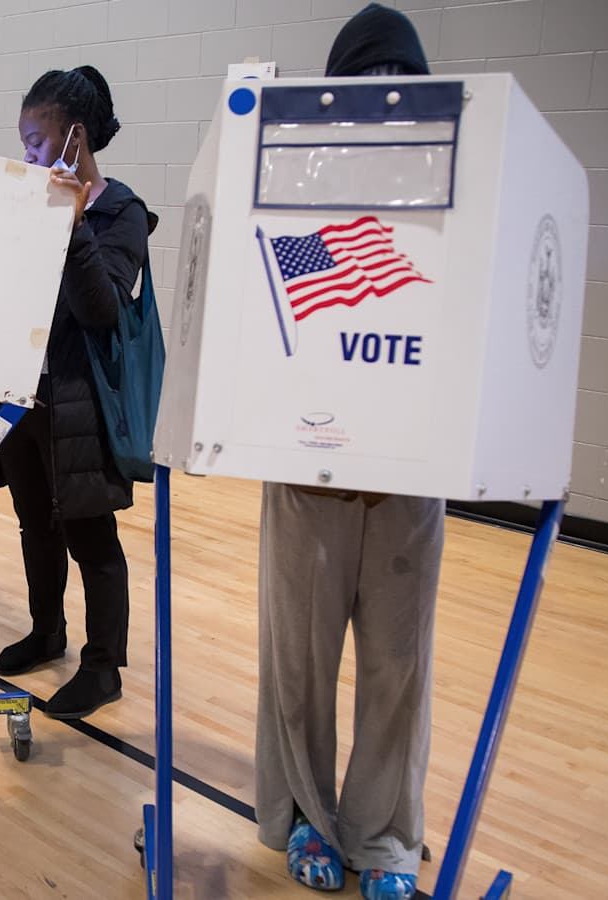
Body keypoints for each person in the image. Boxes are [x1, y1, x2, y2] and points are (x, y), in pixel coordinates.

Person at [253, 8, 440, 900]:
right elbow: (273, 326)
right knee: (299, 661)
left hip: (408, 474)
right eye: (365, 90)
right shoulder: (295, 198)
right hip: (308, 472)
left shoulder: (451, 206)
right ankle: (304, 818)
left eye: (397, 88)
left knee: (398, 669)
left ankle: (387, 838)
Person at [0, 66, 155, 720]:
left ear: (74, 138)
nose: (26, 154)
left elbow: (101, 309)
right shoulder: (29, 203)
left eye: (35, 140)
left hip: (81, 404)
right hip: (24, 397)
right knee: (35, 525)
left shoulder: (121, 213)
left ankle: (103, 667)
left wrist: (73, 224)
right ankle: (47, 630)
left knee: (91, 537)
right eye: (22, 142)